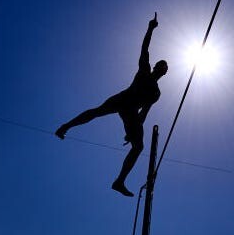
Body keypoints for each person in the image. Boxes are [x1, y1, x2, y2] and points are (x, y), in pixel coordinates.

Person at [55, 15, 168, 197]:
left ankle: (119, 181)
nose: (163, 68)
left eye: (166, 68)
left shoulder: (156, 93)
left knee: (138, 147)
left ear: (165, 74)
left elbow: (144, 112)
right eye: (162, 65)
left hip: (131, 112)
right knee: (97, 111)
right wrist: (151, 28)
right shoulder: (144, 70)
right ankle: (65, 126)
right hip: (123, 99)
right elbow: (144, 47)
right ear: (156, 66)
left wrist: (133, 130)